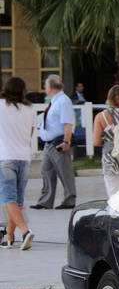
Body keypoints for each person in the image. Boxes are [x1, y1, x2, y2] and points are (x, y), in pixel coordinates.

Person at [0, 77, 37, 250]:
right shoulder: (30, 109)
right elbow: (30, 132)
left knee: (8, 198)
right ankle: (8, 237)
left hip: (5, 157)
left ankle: (25, 231)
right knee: (17, 200)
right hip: (24, 157)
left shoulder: (1, 106)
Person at [33, 75, 76, 210]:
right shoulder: (54, 101)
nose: (45, 88)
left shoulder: (63, 101)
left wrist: (66, 141)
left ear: (50, 87)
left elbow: (68, 123)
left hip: (58, 143)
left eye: (45, 85)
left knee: (65, 172)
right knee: (46, 171)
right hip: (48, 143)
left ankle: (69, 200)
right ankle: (45, 200)